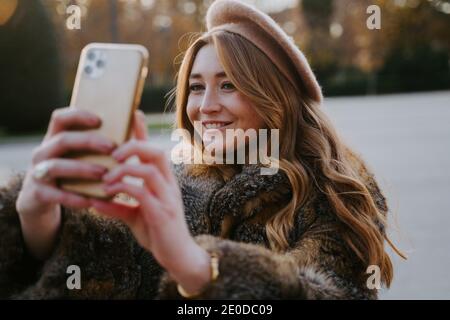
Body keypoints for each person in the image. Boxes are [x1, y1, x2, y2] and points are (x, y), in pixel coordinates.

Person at [0, 0, 401, 299]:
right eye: (196, 86)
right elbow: (106, 264)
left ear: (274, 96)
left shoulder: (334, 191)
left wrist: (197, 267)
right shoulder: (175, 181)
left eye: (228, 85)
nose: (205, 106)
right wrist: (38, 222)